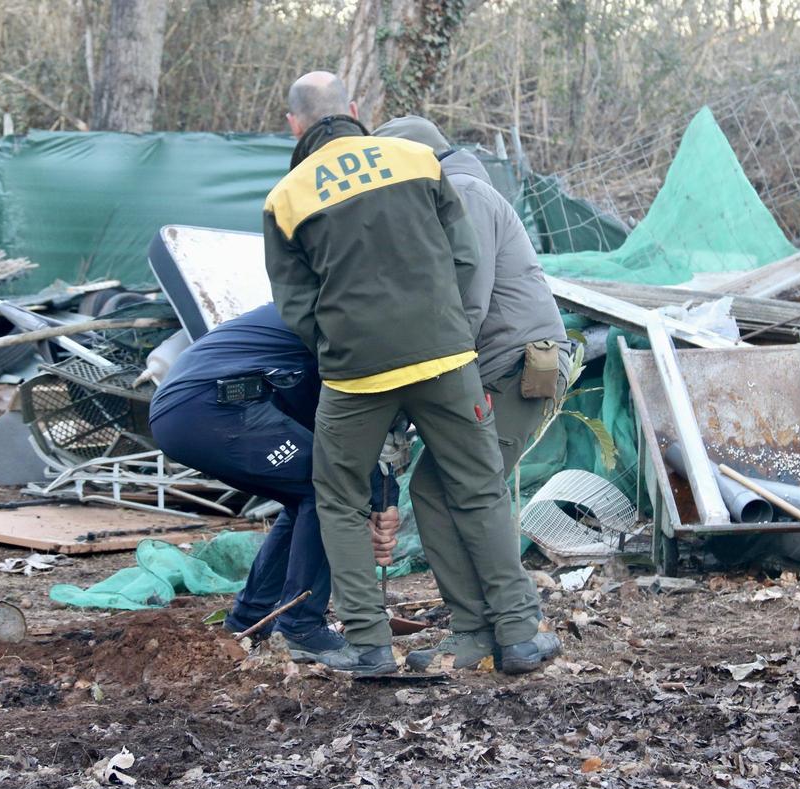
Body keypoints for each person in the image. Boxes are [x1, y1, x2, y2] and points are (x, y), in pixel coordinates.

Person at [263, 71, 559, 675]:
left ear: (294, 123)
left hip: (355, 373)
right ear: (353, 108)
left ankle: (369, 645)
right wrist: (442, 329)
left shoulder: (286, 197)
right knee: (478, 490)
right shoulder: (420, 161)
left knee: (341, 500)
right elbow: (464, 255)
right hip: (448, 358)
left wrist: (338, 347)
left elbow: (296, 304)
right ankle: (521, 634)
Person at [372, 115, 572, 671]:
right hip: (481, 367)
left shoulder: (463, 193)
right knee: (437, 489)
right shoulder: (443, 195)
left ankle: (516, 628)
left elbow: (466, 304)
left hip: (510, 369)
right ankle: (480, 630)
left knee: (471, 486)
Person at [147, 303, 399, 663]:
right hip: (214, 406)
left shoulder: (330, 309)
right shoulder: (349, 323)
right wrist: (376, 501)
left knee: (307, 493)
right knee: (330, 487)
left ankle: (251, 619)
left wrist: (383, 500)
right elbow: (346, 441)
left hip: (194, 408)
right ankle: (300, 627)